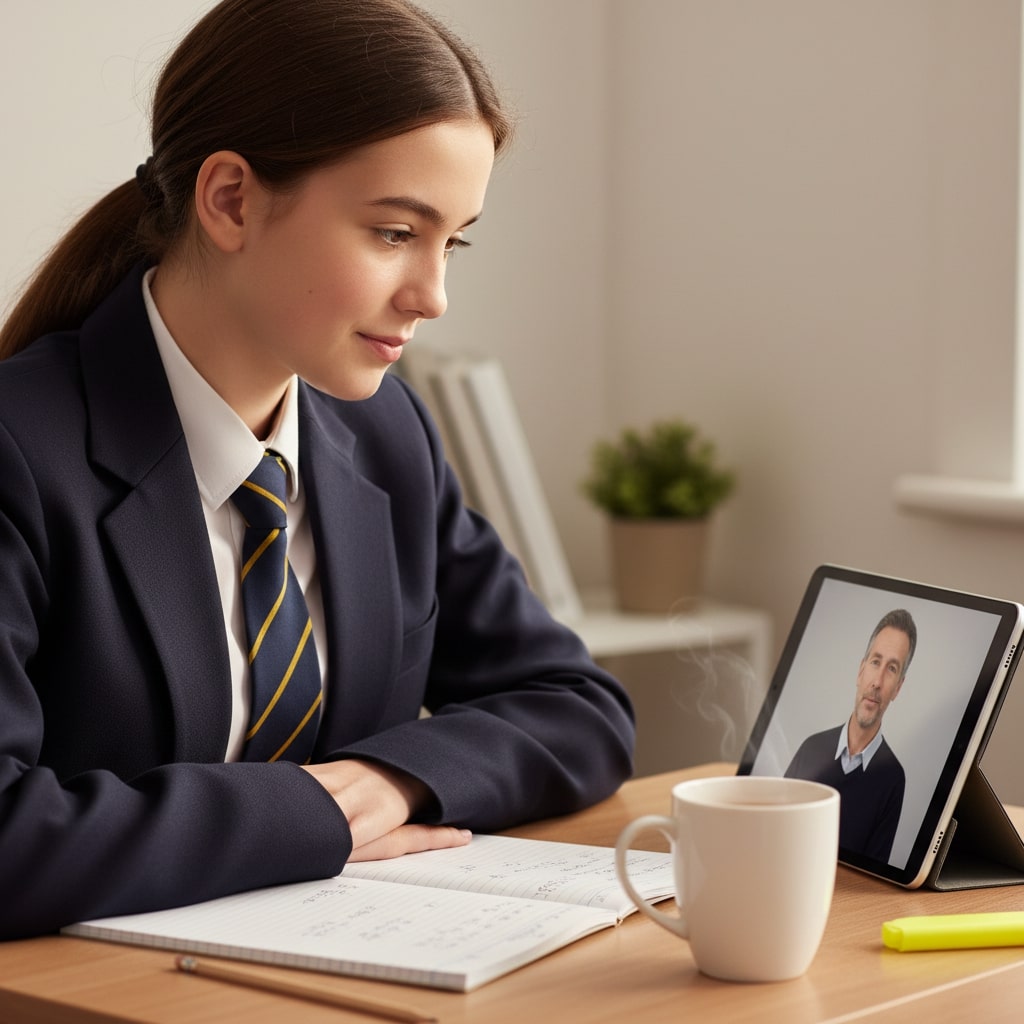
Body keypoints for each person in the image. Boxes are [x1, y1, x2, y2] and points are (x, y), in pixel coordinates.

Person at [0, 0, 635, 941]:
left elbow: (580, 709)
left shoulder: (384, 436)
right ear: (230, 200)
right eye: (392, 233)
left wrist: (388, 781)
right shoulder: (20, 449)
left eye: (450, 240)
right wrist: (317, 815)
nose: (434, 295)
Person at [784, 609, 916, 862]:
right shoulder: (811, 748)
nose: (877, 681)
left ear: (898, 688)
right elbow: (774, 827)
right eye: (876, 662)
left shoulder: (893, 779)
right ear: (860, 670)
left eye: (891, 668)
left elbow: (870, 877)